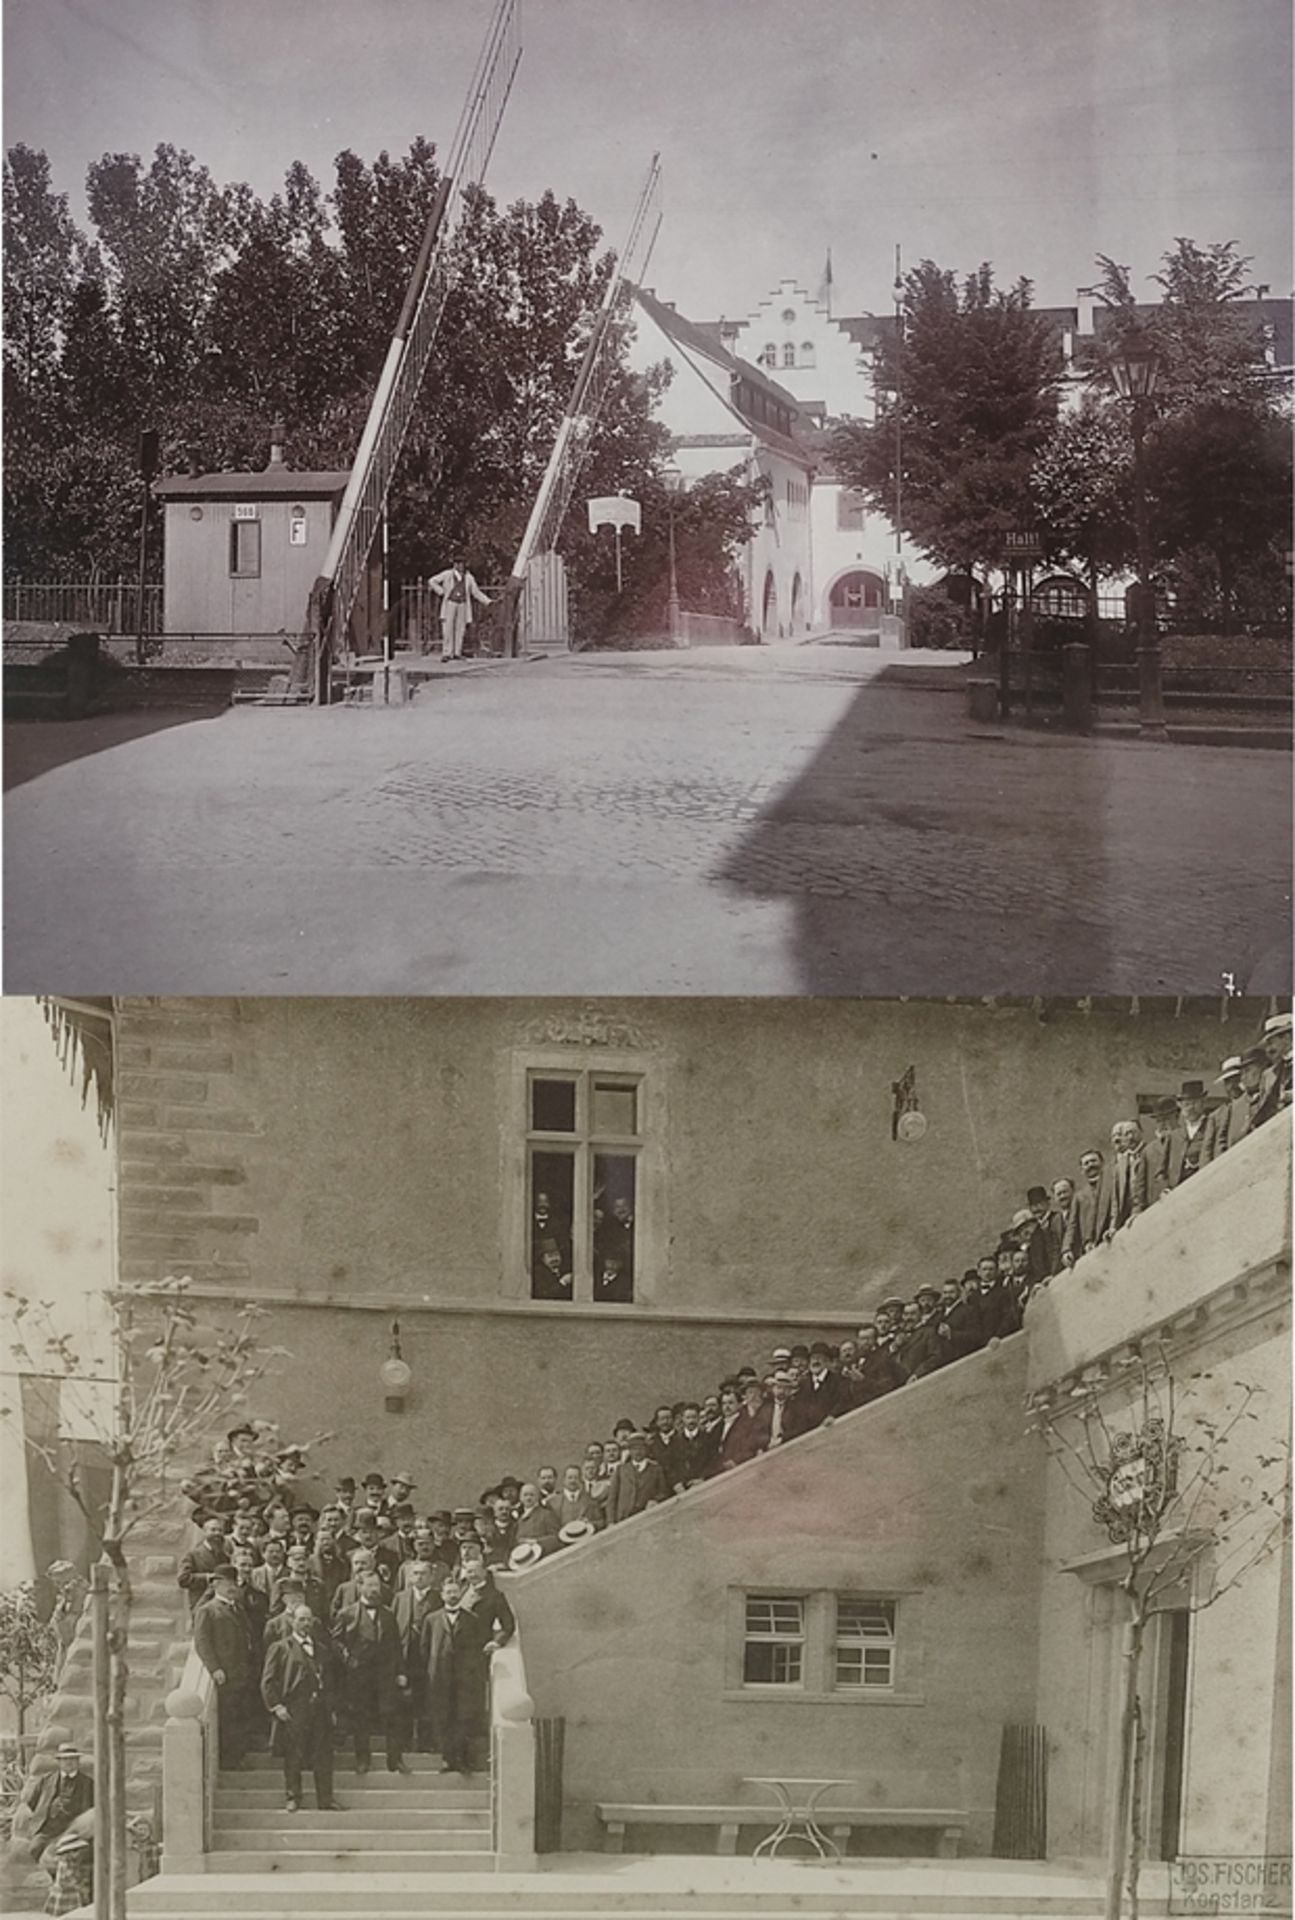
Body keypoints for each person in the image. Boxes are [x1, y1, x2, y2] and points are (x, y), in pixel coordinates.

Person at [261, 1601, 342, 1814]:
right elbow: (268, 1681)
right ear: (291, 1621)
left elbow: (331, 1681)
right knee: (294, 1755)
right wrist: (276, 1706)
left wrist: (332, 1708)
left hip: (320, 1709)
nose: (306, 1623)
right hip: (294, 1710)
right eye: (301, 1619)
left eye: (309, 1619)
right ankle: (293, 1796)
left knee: (323, 1755)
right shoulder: (280, 1648)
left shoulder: (323, 1649)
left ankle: (326, 1799)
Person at [333, 1569, 408, 1774]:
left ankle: (395, 1760)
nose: (374, 1590)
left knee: (392, 1716)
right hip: (359, 1676)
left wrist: (400, 1672)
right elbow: (336, 1641)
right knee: (361, 1717)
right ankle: (363, 1760)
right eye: (370, 1585)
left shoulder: (388, 1614)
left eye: (377, 1586)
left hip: (385, 1675)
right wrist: (348, 1658)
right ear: (360, 1587)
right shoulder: (347, 1614)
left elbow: (396, 1646)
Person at [425, 1573, 494, 1774]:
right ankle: (447, 1759)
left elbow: (479, 1647)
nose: (452, 1595)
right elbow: (424, 1649)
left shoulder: (472, 1619)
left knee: (463, 1718)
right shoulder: (431, 1619)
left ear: (460, 1593)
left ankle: (463, 1759)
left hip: (464, 1679)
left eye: (455, 1592)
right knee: (443, 1717)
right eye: (448, 1592)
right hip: (440, 1677)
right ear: (442, 1595)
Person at [193, 1565, 259, 1768]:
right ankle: (229, 1760)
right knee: (229, 1717)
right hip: (226, 1673)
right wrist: (215, 1668)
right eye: (226, 1583)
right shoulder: (207, 1610)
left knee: (241, 1716)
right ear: (215, 1585)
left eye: (233, 1583)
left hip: (243, 1672)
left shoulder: (238, 1608)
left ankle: (239, 1756)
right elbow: (202, 1643)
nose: (231, 1587)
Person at [16, 1744, 94, 1883]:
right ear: (58, 1762)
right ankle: (31, 1888)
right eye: (64, 1759)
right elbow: (31, 1804)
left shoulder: (88, 1783)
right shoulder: (46, 1780)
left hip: (74, 1831)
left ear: (78, 1761)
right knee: (33, 1850)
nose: (68, 1762)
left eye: (72, 1759)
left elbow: (94, 1810)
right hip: (47, 1830)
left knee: (71, 1858)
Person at [392, 1561, 440, 1753]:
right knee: (403, 1701)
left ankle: (425, 1741)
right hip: (406, 1657)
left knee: (426, 1700)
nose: (419, 1577)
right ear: (409, 1576)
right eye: (415, 1573)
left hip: (429, 1658)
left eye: (423, 1574)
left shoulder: (438, 1598)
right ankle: (403, 1741)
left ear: (431, 1577)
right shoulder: (400, 1598)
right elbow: (392, 1630)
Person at [428, 556, 491, 662]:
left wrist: (488, 601)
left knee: (460, 628)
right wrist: (441, 591)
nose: (461, 566)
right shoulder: (447, 574)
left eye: (462, 563)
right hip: (450, 603)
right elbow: (432, 581)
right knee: (448, 628)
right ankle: (447, 652)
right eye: (458, 563)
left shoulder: (469, 577)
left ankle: (457, 652)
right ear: (455, 565)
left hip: (462, 604)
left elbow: (475, 592)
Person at [608, 1430, 669, 1522]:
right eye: (634, 1448)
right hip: (623, 1519)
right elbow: (612, 1498)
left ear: (646, 1450)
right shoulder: (621, 1470)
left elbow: (664, 1492)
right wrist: (610, 1521)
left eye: (641, 1448)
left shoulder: (656, 1469)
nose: (637, 1452)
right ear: (629, 1451)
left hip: (647, 1518)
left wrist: (655, 1500)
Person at [1064, 1149, 1112, 1263]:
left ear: (1102, 1163)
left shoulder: (1112, 1185)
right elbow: (1072, 1225)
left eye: (1093, 1161)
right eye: (1086, 1163)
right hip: (1090, 1249)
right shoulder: (1079, 1196)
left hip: (1111, 1238)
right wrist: (1066, 1249)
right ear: (1082, 1170)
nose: (1090, 1165)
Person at [178, 1516, 230, 1612]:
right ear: (205, 1532)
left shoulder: (225, 1557)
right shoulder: (193, 1555)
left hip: (222, 1607)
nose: (217, 1533)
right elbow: (183, 1579)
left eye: (220, 1530)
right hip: (201, 1604)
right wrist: (207, 1577)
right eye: (213, 1530)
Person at [514, 1483, 561, 1557]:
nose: (528, 1498)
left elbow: (556, 1538)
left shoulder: (546, 1514)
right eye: (525, 1495)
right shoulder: (519, 1521)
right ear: (520, 1498)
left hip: (544, 1557)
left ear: (538, 1497)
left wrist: (536, 1541)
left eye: (532, 1495)